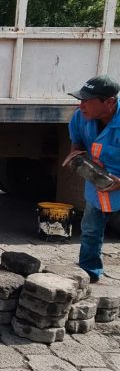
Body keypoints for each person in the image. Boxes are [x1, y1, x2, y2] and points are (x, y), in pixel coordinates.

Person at [63, 76, 120, 283]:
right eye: (80, 99)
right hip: (97, 186)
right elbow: (76, 142)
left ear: (109, 102)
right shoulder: (80, 118)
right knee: (90, 231)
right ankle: (89, 274)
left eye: (87, 101)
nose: (81, 105)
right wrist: (75, 157)